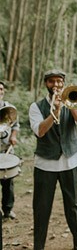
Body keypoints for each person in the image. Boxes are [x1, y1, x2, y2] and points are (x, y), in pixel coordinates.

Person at [29, 70, 77, 250]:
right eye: (51, 82)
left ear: (64, 83)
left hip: (71, 161)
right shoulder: (36, 107)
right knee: (41, 208)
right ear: (45, 83)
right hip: (45, 164)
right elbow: (40, 131)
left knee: (74, 206)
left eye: (59, 81)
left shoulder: (73, 99)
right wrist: (54, 111)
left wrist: (69, 106)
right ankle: (38, 247)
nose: (55, 85)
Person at [0, 81, 19, 221]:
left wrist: (13, 136)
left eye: (1, 89)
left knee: (8, 181)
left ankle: (8, 209)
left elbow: (16, 125)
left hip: (6, 150)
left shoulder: (9, 107)